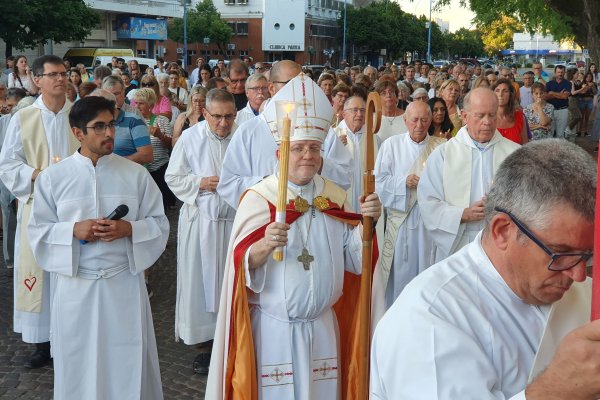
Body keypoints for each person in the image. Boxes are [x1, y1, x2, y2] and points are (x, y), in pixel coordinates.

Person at [371, 139, 597, 400]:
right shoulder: (428, 321)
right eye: (561, 254)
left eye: (587, 255)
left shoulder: (579, 287)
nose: (579, 275)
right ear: (502, 231)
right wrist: (553, 392)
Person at [206, 74, 382, 399]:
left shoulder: (334, 197)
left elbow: (354, 261)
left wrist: (367, 226)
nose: (307, 156)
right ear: (280, 154)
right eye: (298, 148)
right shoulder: (260, 199)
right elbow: (239, 269)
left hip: (324, 329)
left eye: (314, 148)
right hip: (275, 331)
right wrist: (263, 245)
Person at [27, 96, 169, 400]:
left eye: (111, 125)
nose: (109, 133)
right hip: (76, 288)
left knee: (127, 361)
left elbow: (160, 224)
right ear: (78, 133)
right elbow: (37, 234)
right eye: (99, 127)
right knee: (77, 362)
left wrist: (129, 228)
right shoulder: (54, 179)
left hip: (123, 285)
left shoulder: (135, 174)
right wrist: (72, 230)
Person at [0, 55, 80, 369]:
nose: (60, 79)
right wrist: (37, 176)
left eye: (64, 73)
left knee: (69, 270)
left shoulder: (80, 114)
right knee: (40, 273)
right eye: (53, 75)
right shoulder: (24, 117)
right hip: (37, 208)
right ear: (37, 80)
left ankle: (71, 336)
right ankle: (41, 343)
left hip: (75, 209)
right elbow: (8, 164)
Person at [165, 88, 237, 374]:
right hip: (201, 221)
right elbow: (173, 176)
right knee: (200, 284)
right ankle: (205, 345)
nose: (223, 123)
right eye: (217, 116)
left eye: (229, 116)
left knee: (230, 284)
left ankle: (233, 340)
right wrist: (201, 183)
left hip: (233, 221)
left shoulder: (243, 137)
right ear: (205, 113)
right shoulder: (189, 138)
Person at [217, 61, 351, 209]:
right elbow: (228, 184)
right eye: (290, 83)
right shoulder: (248, 132)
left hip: (313, 218)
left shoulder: (320, 129)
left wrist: (319, 164)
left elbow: (345, 177)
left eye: (303, 83)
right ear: (272, 88)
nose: (298, 90)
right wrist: (270, 184)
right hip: (267, 220)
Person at [417, 87, 520, 263]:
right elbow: (428, 202)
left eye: (492, 115)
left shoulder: (514, 154)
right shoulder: (443, 154)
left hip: (501, 244)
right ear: (464, 116)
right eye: (480, 116)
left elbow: (528, 202)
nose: (487, 122)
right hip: (459, 244)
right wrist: (463, 214)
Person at [375, 101, 445, 308]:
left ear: (431, 121)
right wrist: (403, 182)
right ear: (405, 121)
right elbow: (379, 183)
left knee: (427, 270)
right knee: (401, 275)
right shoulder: (391, 145)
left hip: (429, 223)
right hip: (402, 224)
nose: (419, 125)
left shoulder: (441, 148)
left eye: (424, 120)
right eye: (414, 120)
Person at [334, 95, 380, 211]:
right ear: (344, 114)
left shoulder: (374, 138)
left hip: (367, 200)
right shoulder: (333, 136)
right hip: (342, 199)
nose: (359, 114)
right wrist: (334, 148)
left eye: (363, 110)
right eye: (355, 110)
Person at [132, 88, 175, 210]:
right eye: (136, 103)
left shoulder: (162, 120)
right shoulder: (133, 121)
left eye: (141, 103)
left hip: (159, 169)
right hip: (140, 169)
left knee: (162, 205)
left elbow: (170, 146)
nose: (137, 106)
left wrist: (160, 135)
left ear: (150, 105)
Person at [493, 78, 529, 144]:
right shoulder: (486, 117)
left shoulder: (519, 117)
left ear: (510, 95)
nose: (500, 94)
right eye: (497, 90)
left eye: (505, 91)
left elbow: (525, 146)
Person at [546, 65, 571, 139]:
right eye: (558, 72)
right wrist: (560, 94)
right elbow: (546, 97)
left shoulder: (568, 83)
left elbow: (565, 96)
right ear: (555, 73)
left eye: (562, 72)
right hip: (550, 110)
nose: (560, 74)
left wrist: (552, 93)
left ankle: (559, 150)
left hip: (563, 110)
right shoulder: (549, 84)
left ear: (564, 72)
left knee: (560, 134)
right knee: (550, 132)